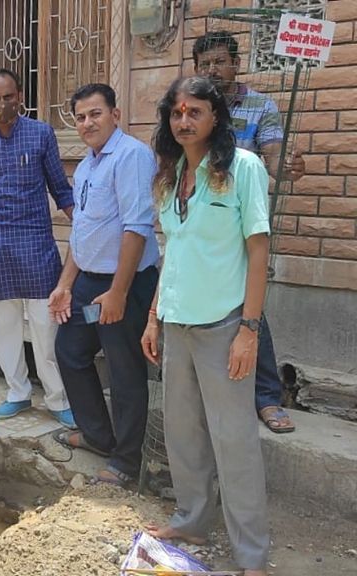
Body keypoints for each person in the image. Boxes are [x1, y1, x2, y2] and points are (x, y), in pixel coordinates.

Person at [141, 76, 271, 576]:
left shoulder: (243, 169)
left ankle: (252, 557)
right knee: (183, 433)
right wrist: (154, 317)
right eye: (176, 113)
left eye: (195, 111)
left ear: (216, 117)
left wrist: (249, 329)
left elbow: (258, 252)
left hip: (224, 324)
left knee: (233, 441)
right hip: (178, 324)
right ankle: (192, 520)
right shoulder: (173, 177)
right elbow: (173, 253)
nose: (184, 121)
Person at [48, 83, 159, 487]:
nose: (87, 122)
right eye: (80, 117)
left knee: (124, 370)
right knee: (69, 351)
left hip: (124, 282)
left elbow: (137, 227)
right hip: (87, 282)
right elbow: (83, 232)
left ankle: (127, 463)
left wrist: (119, 292)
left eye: (95, 113)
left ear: (115, 114)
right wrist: (64, 285)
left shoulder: (131, 156)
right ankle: (97, 435)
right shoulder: (88, 166)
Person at [194, 30, 304, 433]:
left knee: (249, 308)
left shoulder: (260, 106)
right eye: (204, 64)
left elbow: (275, 161)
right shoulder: (193, 106)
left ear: (235, 63)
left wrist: (287, 166)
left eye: (219, 61)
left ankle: (265, 397)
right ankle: (211, 393)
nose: (212, 70)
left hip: (242, 226)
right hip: (200, 226)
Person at [0, 67, 75, 428]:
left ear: (20, 97)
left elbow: (60, 186)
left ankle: (58, 397)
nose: (2, 104)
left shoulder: (41, 134)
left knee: (46, 326)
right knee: (4, 326)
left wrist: (84, 226)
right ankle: (18, 393)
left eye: (8, 96)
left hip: (37, 244)